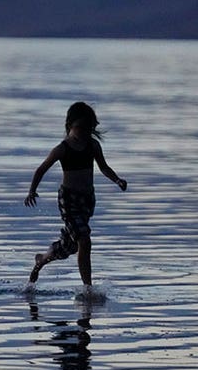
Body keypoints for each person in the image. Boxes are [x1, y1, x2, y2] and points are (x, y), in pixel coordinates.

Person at [24, 102, 127, 287]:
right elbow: (41, 169)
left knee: (70, 246)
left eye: (89, 128)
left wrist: (117, 180)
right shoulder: (62, 149)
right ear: (71, 125)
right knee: (84, 241)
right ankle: (88, 288)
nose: (84, 133)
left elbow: (104, 167)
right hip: (69, 200)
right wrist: (32, 191)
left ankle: (42, 258)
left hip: (87, 200)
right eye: (81, 128)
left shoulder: (93, 146)